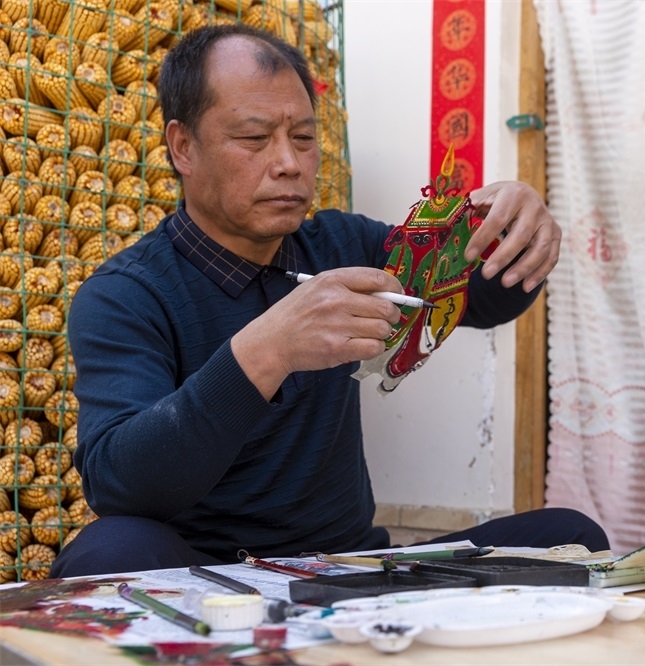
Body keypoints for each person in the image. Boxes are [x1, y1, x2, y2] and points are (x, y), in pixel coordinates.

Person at [50, 24, 607, 577]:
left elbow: (481, 297)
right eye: (253, 137)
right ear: (183, 147)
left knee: (569, 537)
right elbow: (122, 483)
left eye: (303, 137)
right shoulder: (125, 295)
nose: (288, 163)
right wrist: (266, 351)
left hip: (351, 570)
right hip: (209, 580)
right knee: (109, 552)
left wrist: (518, 229)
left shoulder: (342, 246)